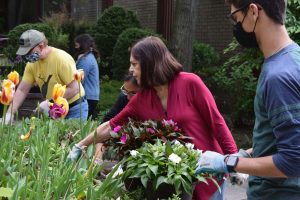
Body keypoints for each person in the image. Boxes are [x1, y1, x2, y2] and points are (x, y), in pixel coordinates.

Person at [67, 36, 238, 199]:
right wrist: (80, 145)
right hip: (177, 179)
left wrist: (234, 162)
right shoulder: (142, 99)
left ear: (150, 63)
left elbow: (217, 123)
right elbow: (110, 126)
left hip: (208, 175)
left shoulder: (190, 83)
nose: (130, 69)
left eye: (134, 64)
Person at [196, 0, 300, 199]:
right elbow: (283, 140)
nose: (238, 27)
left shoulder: (278, 76)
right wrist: (244, 155)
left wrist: (228, 163)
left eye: (237, 18)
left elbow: (293, 160)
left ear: (253, 11)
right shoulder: (293, 58)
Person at [4, 29, 88, 123]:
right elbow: (22, 90)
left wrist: (50, 102)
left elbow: (74, 88)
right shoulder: (32, 64)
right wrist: (9, 114)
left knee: (72, 137)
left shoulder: (61, 58)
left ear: (41, 45)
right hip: (54, 110)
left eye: (29, 52)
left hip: (74, 108)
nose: (27, 55)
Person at [74, 34, 100, 120]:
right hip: (92, 96)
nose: (75, 48)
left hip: (87, 96)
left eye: (76, 45)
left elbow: (79, 80)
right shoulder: (90, 57)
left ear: (82, 44)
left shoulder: (85, 60)